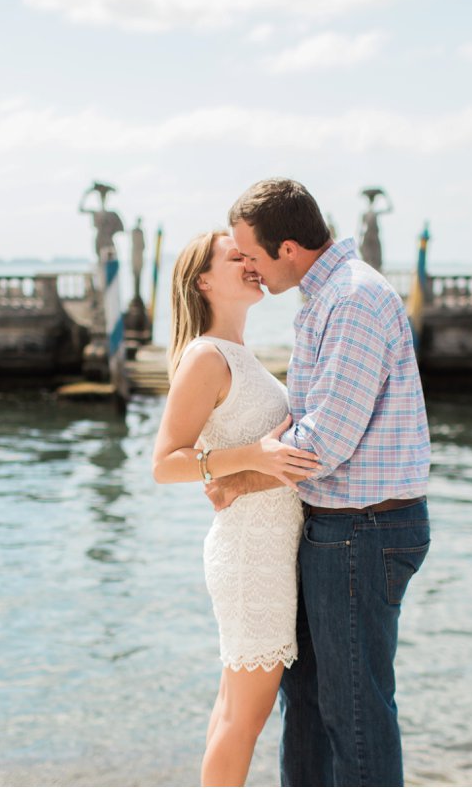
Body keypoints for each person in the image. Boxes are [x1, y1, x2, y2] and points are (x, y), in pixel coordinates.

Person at [214, 179, 431, 788]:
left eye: (252, 256)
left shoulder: (354, 298)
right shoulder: (326, 295)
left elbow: (325, 440)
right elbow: (307, 424)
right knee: (307, 706)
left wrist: (237, 478)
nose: (250, 270)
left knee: (352, 711)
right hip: (337, 528)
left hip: (363, 527)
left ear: (288, 248)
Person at [152, 229, 320, 788]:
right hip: (251, 553)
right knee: (243, 718)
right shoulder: (205, 355)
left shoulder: (238, 355)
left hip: (265, 546)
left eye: (250, 256)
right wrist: (256, 456)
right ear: (203, 281)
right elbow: (165, 462)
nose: (251, 265)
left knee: (234, 711)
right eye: (236, 258)